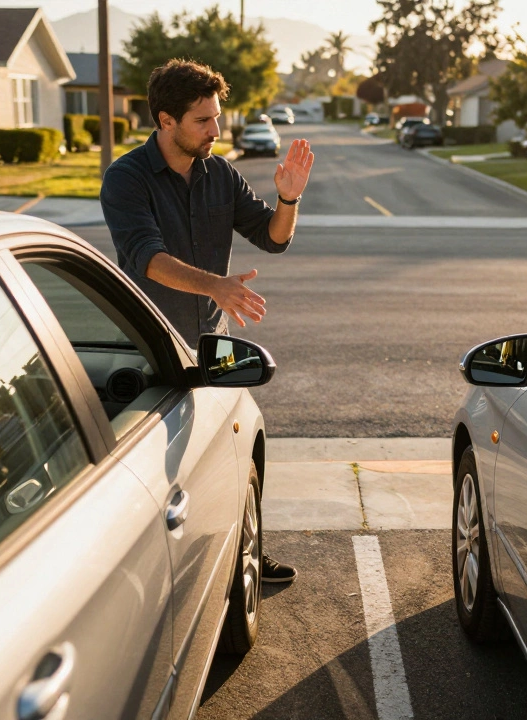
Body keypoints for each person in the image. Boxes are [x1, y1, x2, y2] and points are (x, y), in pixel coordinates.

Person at [100, 59, 314, 584]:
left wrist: (289, 197)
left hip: (210, 346)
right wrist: (217, 284)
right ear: (166, 121)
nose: (216, 130)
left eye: (217, 117)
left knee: (235, 455)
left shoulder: (219, 173)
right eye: (203, 120)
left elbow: (273, 237)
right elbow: (145, 257)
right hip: (152, 352)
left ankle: (245, 550)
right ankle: (152, 580)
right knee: (157, 475)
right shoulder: (127, 179)